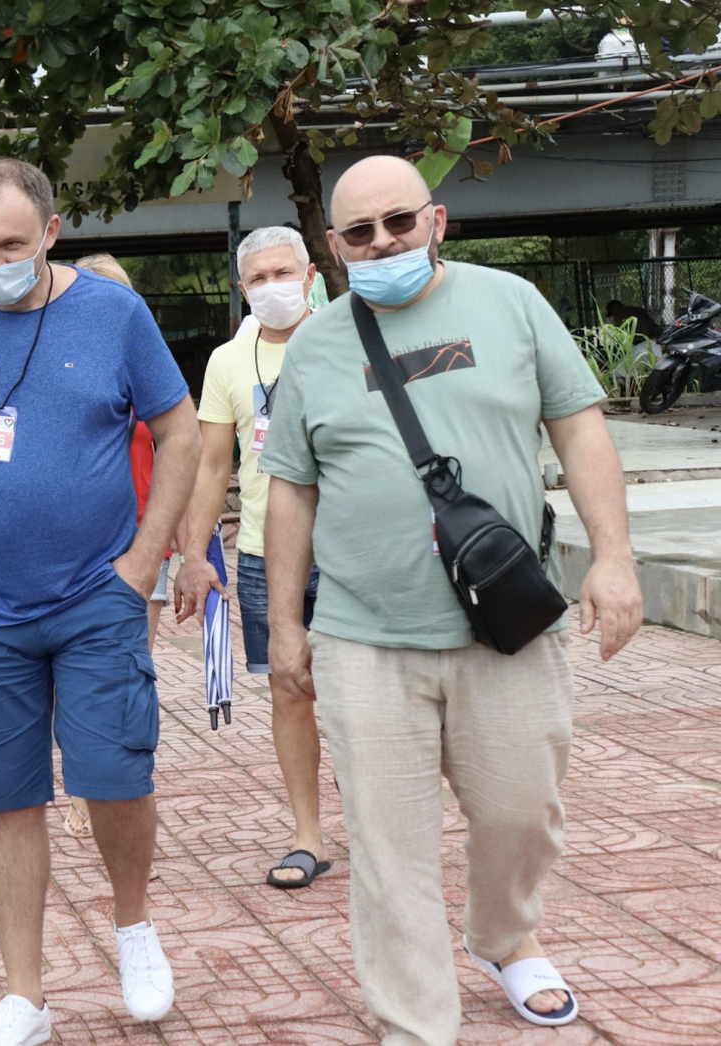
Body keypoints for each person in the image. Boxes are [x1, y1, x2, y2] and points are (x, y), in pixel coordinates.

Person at [260, 155, 643, 1046]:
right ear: (334, 247)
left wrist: (615, 558)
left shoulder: (509, 303)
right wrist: (285, 625)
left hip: (506, 623)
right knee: (389, 857)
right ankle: (414, 1024)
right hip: (365, 635)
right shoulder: (315, 345)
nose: (382, 242)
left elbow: (580, 429)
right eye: (360, 232)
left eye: (398, 222)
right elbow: (290, 491)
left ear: (436, 221)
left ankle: (506, 936)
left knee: (522, 813)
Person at [0, 158, 203, 1045]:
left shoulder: (112, 312)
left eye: (12, 243)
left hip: (99, 592)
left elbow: (178, 430)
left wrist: (145, 562)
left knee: (114, 772)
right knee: (4, 795)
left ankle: (134, 928)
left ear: (50, 233)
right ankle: (27, 993)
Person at [173, 226, 330, 889]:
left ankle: (388, 827)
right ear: (242, 289)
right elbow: (212, 466)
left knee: (374, 693)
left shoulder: (352, 339)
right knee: (291, 690)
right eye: (258, 278)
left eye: (283, 273)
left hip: (359, 549)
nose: (273, 287)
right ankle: (310, 837)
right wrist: (194, 554)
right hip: (269, 554)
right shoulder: (227, 362)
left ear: (312, 274)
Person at [58, 252, 174, 842]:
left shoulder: (146, 366)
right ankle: (81, 794)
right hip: (76, 548)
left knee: (128, 679)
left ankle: (127, 791)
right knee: (72, 684)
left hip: (141, 544)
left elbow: (180, 452)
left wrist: (177, 543)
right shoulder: (66, 366)